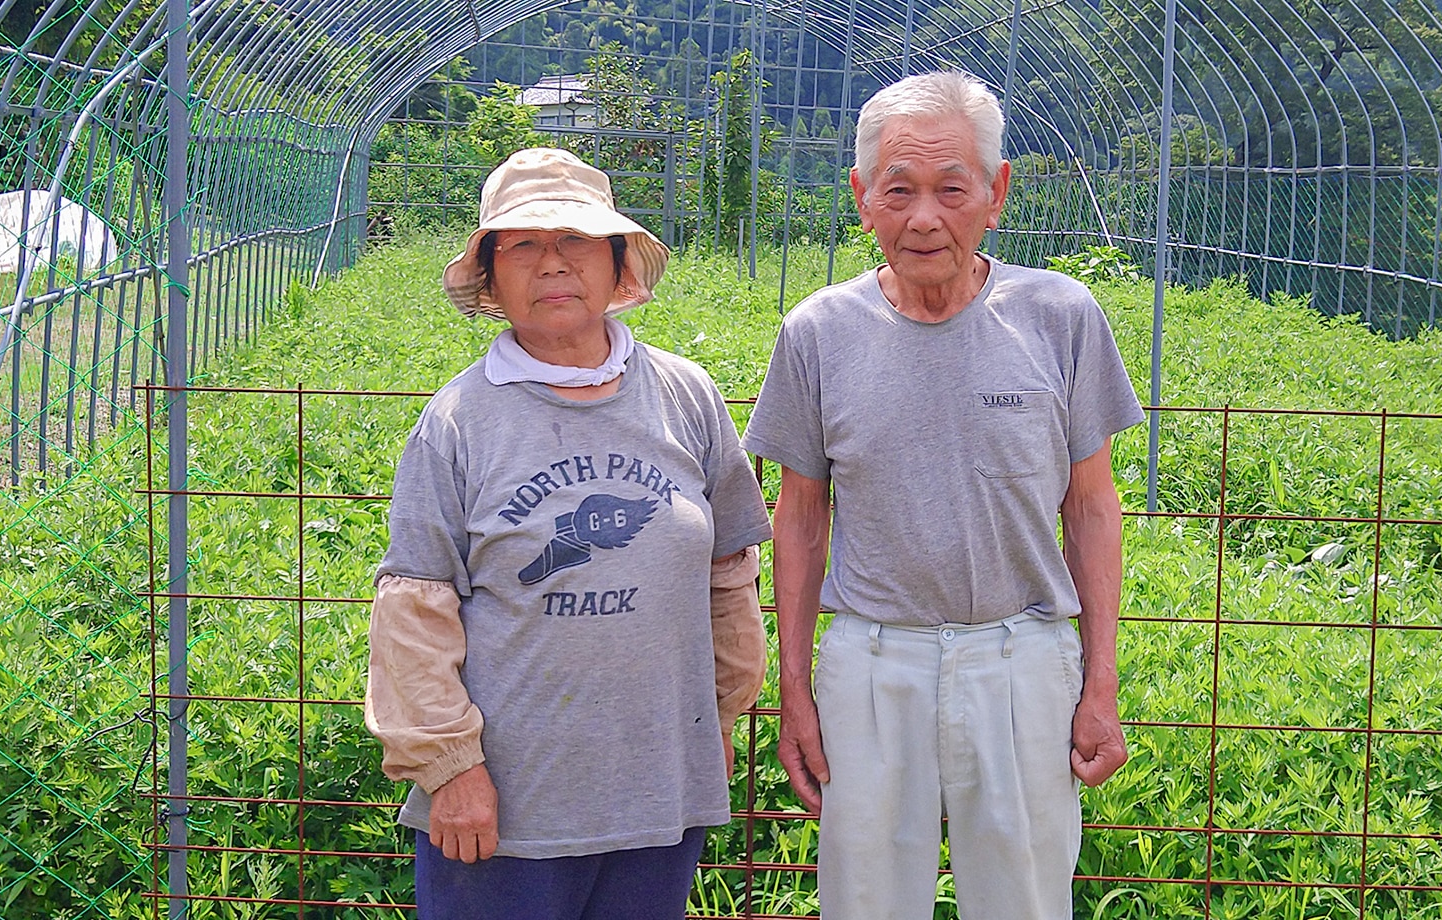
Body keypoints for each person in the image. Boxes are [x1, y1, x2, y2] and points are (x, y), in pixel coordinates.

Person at [740, 71, 1145, 919]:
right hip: (872, 659)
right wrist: (797, 688)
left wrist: (1099, 681)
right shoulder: (817, 332)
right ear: (862, 198)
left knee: (1027, 897)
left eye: (951, 188)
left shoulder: (1062, 316)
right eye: (899, 190)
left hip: (1023, 656)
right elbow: (802, 520)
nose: (924, 217)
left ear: (996, 192)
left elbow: (1093, 508)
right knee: (867, 900)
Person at [365, 147, 773, 920]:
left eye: (575, 240)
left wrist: (718, 715)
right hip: (507, 810)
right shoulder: (457, 422)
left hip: (656, 792)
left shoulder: (687, 396)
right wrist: (449, 769)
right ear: (491, 274)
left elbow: (728, 573)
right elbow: (414, 609)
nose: (552, 263)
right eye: (522, 245)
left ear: (616, 262)